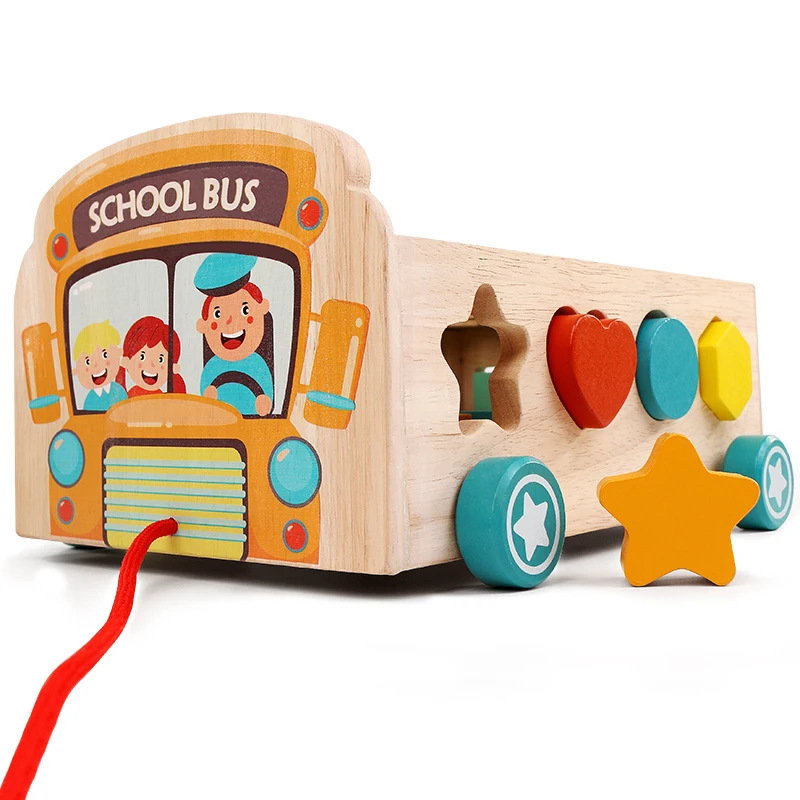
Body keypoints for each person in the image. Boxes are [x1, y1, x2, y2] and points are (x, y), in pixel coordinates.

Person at [194, 253, 273, 416]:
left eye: (245, 310)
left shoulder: (257, 363)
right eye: (218, 314)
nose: (229, 321)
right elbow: (206, 392)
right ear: (203, 326)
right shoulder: (213, 365)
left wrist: (263, 401)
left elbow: (265, 393)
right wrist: (209, 393)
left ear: (262, 310)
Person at [122, 316, 186, 397]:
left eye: (160, 359)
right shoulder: (130, 397)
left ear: (173, 368)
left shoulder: (164, 398)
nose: (152, 365)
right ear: (126, 361)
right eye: (142, 357)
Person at [72, 320, 128, 411]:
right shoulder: (90, 399)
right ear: (76, 371)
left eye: (105, 355)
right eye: (88, 362)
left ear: (118, 353)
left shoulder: (119, 391)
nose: (96, 365)